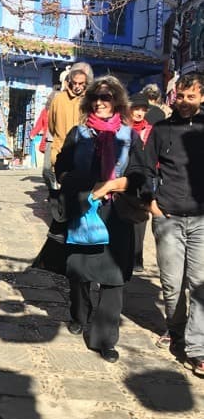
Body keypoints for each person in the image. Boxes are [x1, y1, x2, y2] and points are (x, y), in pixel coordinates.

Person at [55, 75, 144, 363]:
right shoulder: (78, 133)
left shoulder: (129, 137)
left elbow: (140, 174)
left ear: (117, 101)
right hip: (83, 209)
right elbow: (62, 168)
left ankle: (105, 338)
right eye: (96, 98)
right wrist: (76, 185)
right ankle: (79, 313)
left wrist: (118, 184)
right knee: (78, 270)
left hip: (115, 211)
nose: (100, 103)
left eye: (106, 98)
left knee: (114, 277)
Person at [139, 73, 204, 377]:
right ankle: (176, 331)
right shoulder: (161, 129)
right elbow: (145, 168)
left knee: (200, 284)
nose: (185, 102)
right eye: (181, 96)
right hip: (168, 216)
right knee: (172, 282)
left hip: (201, 220)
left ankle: (197, 348)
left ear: (201, 97)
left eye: (192, 97)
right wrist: (151, 203)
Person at [47, 62, 94, 171]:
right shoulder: (58, 99)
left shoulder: (89, 101)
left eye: (81, 83)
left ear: (86, 83)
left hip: (82, 151)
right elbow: (51, 125)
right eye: (75, 83)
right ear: (70, 82)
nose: (77, 86)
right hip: (60, 148)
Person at [129, 93, 153, 271]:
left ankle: (137, 257)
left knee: (141, 218)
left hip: (145, 178)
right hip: (125, 177)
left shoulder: (150, 130)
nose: (139, 113)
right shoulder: (121, 128)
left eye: (143, 110)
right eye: (136, 109)